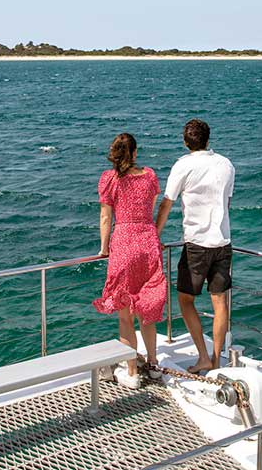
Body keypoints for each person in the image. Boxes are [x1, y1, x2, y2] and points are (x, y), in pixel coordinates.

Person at [155, 119, 235, 373]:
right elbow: (227, 203)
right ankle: (215, 358)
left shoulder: (183, 165)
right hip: (223, 241)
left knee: (185, 300)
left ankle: (202, 356)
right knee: (220, 302)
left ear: (185, 141)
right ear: (208, 139)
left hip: (197, 245)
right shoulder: (226, 164)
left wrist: (154, 234)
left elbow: (167, 202)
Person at [93, 133, 166, 388]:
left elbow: (105, 217)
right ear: (134, 153)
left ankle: (133, 372)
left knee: (126, 316)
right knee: (146, 311)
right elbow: (152, 207)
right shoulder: (150, 176)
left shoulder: (109, 179)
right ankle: (154, 366)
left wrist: (104, 248)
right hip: (148, 243)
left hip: (123, 243)